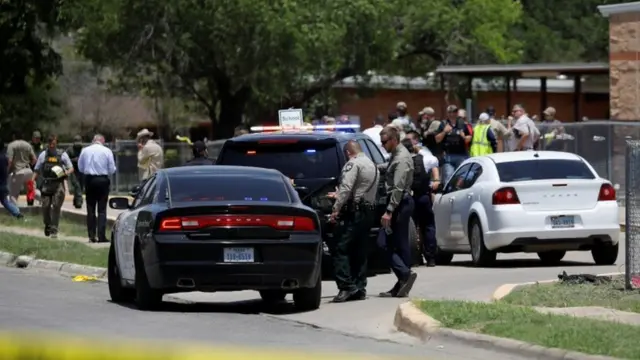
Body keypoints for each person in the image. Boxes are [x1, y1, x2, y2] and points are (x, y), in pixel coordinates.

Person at [327, 140, 378, 303]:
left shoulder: (353, 164)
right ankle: (359, 287)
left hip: (356, 212)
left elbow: (346, 188)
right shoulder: (372, 164)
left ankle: (346, 287)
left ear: (348, 152)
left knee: (340, 248)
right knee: (360, 250)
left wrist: (336, 209)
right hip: (369, 211)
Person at [378, 126, 417, 298]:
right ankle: (402, 281)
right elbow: (389, 167)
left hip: (399, 203)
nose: (383, 145)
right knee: (398, 245)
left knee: (384, 242)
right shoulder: (396, 155)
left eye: (385, 142)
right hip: (399, 203)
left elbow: (398, 187)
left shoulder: (401, 158)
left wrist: (389, 210)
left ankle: (405, 275)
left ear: (394, 140)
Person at [402, 134, 440, 267]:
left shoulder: (402, 162)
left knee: (411, 228)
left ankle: (415, 258)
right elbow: (435, 162)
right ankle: (431, 258)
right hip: (424, 196)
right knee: (428, 226)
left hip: (409, 198)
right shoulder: (425, 159)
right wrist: (436, 179)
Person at [34, 134, 74, 238]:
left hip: (58, 184)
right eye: (50, 143)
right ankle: (47, 224)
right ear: (48, 143)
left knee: (56, 207)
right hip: (47, 184)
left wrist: (66, 173)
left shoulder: (62, 154)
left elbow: (71, 168)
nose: (52, 145)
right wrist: (31, 181)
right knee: (45, 207)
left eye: (54, 143)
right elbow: (37, 169)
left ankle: (54, 229)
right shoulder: (43, 155)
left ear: (56, 143)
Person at [78, 134, 116, 243]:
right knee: (102, 210)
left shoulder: (85, 150)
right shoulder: (107, 151)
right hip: (103, 180)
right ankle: (101, 236)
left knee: (90, 209)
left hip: (89, 180)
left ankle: (91, 236)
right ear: (102, 141)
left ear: (93, 140)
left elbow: (80, 167)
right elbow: (112, 169)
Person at [435, 105, 472, 182]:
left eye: (454, 112)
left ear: (457, 112)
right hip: (448, 156)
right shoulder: (443, 124)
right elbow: (437, 140)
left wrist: (464, 137)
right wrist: (444, 131)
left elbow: (470, 137)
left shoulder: (462, 123)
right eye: (450, 112)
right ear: (447, 113)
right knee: (448, 178)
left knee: (462, 178)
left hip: (461, 155)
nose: (452, 114)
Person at [6, 134, 37, 204]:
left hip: (18, 171)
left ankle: (14, 212)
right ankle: (32, 205)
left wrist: (7, 171)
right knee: (30, 190)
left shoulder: (11, 145)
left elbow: (10, 161)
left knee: (13, 194)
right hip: (28, 171)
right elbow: (34, 159)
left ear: (14, 137)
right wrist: (29, 165)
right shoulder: (28, 145)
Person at [0, 139, 23, 219]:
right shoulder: (5, 158)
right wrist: (8, 173)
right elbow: (11, 164)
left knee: (4, 201)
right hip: (3, 183)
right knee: (5, 201)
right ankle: (17, 213)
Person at [65, 135, 85, 209]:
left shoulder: (83, 150)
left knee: (81, 186)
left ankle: (76, 201)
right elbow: (65, 159)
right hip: (73, 170)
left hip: (82, 170)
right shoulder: (70, 150)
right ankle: (79, 201)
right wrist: (74, 160)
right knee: (77, 185)